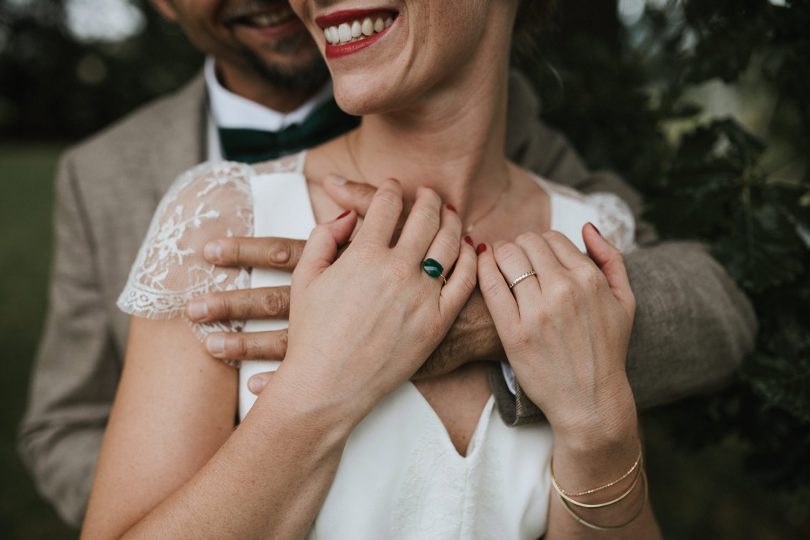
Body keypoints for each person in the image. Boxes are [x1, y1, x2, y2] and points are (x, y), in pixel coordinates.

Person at [18, 0, 755, 531]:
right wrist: (322, 388)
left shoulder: (592, 234)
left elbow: (721, 309)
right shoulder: (219, 216)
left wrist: (599, 429)